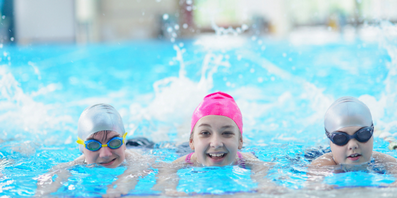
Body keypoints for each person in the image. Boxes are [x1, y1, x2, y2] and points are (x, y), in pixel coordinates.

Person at [153, 92, 278, 195]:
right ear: (191, 141)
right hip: (183, 148)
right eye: (205, 133)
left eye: (227, 133)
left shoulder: (245, 159)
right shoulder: (188, 160)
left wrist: (265, 184)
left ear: (240, 142)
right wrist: (169, 188)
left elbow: (262, 167)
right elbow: (167, 169)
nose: (216, 143)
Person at [36, 104, 152, 197]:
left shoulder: (136, 158)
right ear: (82, 148)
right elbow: (54, 173)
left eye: (114, 142)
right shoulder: (78, 162)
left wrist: (120, 187)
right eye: (93, 145)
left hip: (142, 145)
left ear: (124, 142)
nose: (105, 154)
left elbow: (138, 170)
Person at [308, 97, 397, 188]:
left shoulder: (382, 160)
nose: (353, 145)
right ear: (330, 141)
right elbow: (312, 186)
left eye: (362, 134)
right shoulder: (322, 164)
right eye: (340, 138)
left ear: (372, 134)